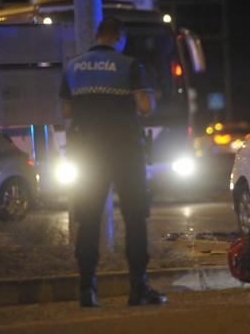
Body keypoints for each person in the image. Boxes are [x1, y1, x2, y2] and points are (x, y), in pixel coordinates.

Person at [59, 16, 167, 308]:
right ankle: (138, 287)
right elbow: (145, 106)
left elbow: (67, 111)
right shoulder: (130, 65)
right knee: (134, 217)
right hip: (124, 150)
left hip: (87, 151)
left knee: (88, 218)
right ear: (120, 37)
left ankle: (87, 289)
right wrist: (149, 98)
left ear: (96, 35)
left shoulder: (73, 66)